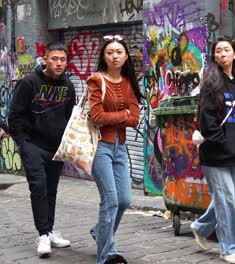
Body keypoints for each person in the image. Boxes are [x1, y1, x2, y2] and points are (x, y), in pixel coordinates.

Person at [8, 41, 75, 257]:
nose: (58, 63)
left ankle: (50, 230)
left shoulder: (68, 86)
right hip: (33, 145)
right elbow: (15, 115)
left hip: (56, 147)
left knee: (51, 190)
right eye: (54, 58)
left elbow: (69, 117)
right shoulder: (29, 83)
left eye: (62, 59)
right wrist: (23, 144)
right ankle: (43, 234)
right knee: (38, 186)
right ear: (45, 59)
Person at [190, 36, 235, 264]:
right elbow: (206, 121)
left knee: (230, 197)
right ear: (214, 56)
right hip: (215, 152)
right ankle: (228, 249)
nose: (222, 54)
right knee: (225, 199)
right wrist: (222, 141)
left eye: (226, 50)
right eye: (218, 51)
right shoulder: (211, 83)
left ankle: (200, 225)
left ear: (234, 54)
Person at [87, 34, 142, 264]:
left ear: (126, 55)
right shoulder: (95, 80)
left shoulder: (129, 83)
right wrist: (124, 115)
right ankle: (106, 255)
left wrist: (122, 118)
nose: (115, 55)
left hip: (121, 147)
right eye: (110, 52)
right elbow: (97, 116)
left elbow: (135, 119)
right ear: (104, 56)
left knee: (125, 200)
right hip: (100, 146)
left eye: (119, 52)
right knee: (110, 199)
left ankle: (100, 232)